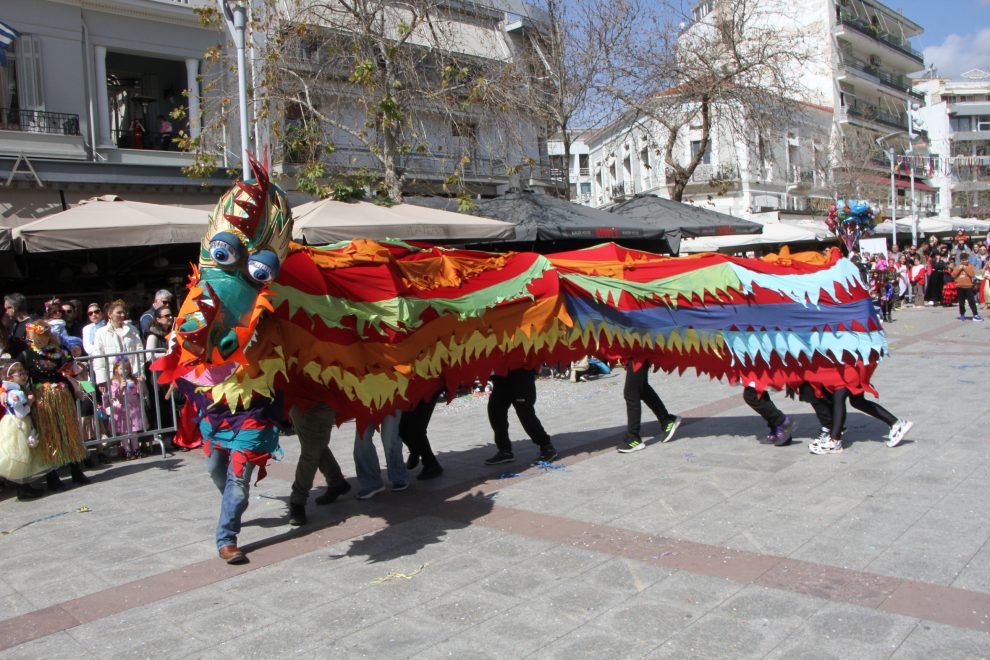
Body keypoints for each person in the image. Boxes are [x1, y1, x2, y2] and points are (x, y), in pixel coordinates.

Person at [17, 322, 90, 489]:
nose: (39, 341)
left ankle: (76, 470)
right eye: (35, 338)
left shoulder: (61, 353)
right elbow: (17, 377)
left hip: (63, 397)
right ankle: (52, 476)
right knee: (49, 434)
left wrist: (89, 391)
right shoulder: (26, 355)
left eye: (42, 337)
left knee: (68, 431)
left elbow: (78, 373)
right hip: (42, 399)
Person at [285, 402, 351, 527]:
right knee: (314, 446)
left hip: (323, 400)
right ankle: (337, 482)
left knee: (311, 451)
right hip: (298, 400)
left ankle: (298, 500)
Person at [484, 368, 557, 465]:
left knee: (525, 415)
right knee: (495, 412)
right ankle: (505, 451)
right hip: (500, 378)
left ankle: (547, 447)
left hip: (521, 377)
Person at [808, 387, 912, 455]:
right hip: (854, 363)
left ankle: (834, 442)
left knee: (839, 395)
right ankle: (897, 423)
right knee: (857, 401)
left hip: (850, 363)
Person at [0, 359, 49, 500]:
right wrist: (30, 402)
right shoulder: (14, 393)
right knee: (21, 456)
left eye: (24, 373)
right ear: (10, 377)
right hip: (17, 425)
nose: (23, 376)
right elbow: (20, 413)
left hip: (20, 424)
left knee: (26, 456)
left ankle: (26, 487)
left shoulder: (15, 389)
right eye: (19, 374)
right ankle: (22, 489)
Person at [617, 359, 681, 453]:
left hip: (639, 353)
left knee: (631, 393)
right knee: (642, 389)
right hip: (636, 353)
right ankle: (666, 419)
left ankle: (634, 437)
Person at [353, 412, 408, 500]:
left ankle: (399, 475)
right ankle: (371, 483)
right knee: (362, 439)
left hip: (393, 400)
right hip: (366, 401)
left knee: (389, 439)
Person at [92, 300, 145, 390]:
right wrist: (102, 380)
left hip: (131, 377)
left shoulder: (132, 330)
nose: (122, 315)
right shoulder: (100, 333)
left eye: (123, 313)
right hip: (112, 378)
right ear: (110, 314)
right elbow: (98, 357)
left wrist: (139, 373)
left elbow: (139, 354)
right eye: (119, 313)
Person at [400, 390, 444, 481]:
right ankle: (415, 451)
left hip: (430, 385)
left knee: (416, 430)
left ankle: (431, 464)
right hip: (410, 388)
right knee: (401, 427)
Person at [108, 358, 144, 459]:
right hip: (121, 408)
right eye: (122, 369)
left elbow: (139, 392)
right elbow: (115, 396)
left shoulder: (133, 380)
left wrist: (141, 383)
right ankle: (127, 450)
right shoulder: (114, 382)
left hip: (133, 407)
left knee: (133, 430)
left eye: (127, 369)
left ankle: (136, 448)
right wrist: (121, 388)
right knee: (123, 430)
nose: (125, 371)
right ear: (116, 369)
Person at [950, 254, 983, 322]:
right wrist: (959, 269)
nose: (965, 261)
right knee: (961, 302)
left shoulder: (970, 266)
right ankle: (962, 314)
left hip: (968, 286)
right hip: (959, 286)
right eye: (963, 260)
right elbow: (953, 275)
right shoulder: (958, 266)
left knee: (971, 301)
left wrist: (965, 268)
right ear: (961, 260)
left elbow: (972, 274)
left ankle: (975, 314)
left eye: (966, 260)